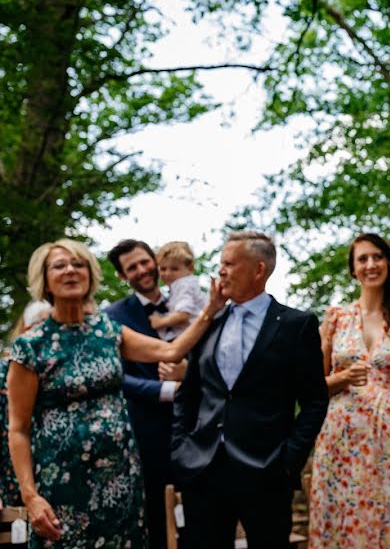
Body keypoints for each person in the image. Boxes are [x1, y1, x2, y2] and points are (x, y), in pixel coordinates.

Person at [6, 239, 225, 546]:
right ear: (45, 280)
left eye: (78, 264)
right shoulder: (30, 346)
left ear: (90, 275)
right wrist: (30, 497)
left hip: (122, 479)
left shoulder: (108, 330)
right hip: (62, 484)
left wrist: (210, 309)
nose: (71, 270)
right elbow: (18, 428)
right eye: (59, 265)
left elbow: (172, 349)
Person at [170, 231, 329, 548]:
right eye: (220, 263)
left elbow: (314, 399)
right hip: (202, 467)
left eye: (229, 263)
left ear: (259, 269)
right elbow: (187, 395)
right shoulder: (208, 324)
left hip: (267, 470)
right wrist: (181, 447)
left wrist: (289, 460)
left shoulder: (297, 325)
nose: (221, 271)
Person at [308, 232, 390, 549]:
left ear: (388, 263)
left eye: (377, 257)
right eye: (362, 259)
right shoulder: (335, 319)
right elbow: (309, 387)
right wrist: (342, 379)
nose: (371, 264)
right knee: (343, 517)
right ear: (353, 270)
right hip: (342, 437)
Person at [106, 238, 188, 549]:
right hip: (147, 435)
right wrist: (167, 390)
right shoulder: (112, 317)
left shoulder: (186, 305)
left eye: (145, 261)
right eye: (132, 268)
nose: (142, 270)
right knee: (154, 520)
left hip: (196, 430)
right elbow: (116, 378)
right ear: (122, 277)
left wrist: (188, 376)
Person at [1, 301, 52, 508]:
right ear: (28, 330)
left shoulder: (61, 371)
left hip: (53, 479)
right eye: (44, 325)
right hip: (10, 484)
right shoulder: (5, 371)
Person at [150, 241, 207, 340]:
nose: (167, 274)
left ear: (190, 268)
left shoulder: (182, 285)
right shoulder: (186, 284)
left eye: (174, 269)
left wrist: (159, 322)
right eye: (163, 269)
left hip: (191, 337)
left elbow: (183, 315)